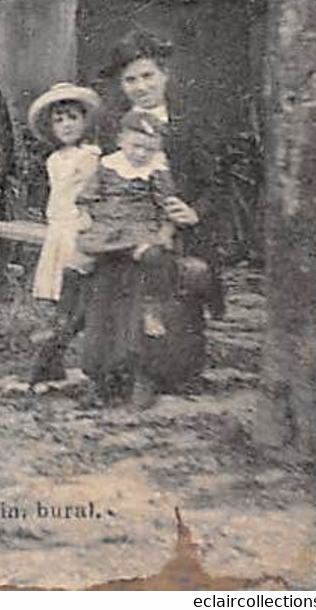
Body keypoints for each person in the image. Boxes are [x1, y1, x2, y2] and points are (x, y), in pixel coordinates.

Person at [100, 30, 223, 397]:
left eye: (148, 76)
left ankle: (183, 369)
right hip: (129, 232)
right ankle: (139, 372)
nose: (140, 87)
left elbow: (216, 184)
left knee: (185, 291)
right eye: (130, 80)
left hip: (182, 230)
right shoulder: (111, 129)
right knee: (134, 291)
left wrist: (193, 211)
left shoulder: (189, 126)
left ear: (165, 74)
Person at [77, 110, 184, 407]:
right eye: (135, 146)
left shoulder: (157, 172)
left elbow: (168, 210)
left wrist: (161, 236)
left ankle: (141, 376)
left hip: (141, 236)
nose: (140, 154)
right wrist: (88, 224)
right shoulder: (107, 167)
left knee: (138, 299)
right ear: (121, 140)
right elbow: (86, 201)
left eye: (148, 148)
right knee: (101, 303)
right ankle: (99, 377)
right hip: (107, 238)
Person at [25, 83, 104, 385]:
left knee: (80, 297)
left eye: (72, 117)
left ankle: (52, 353)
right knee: (64, 299)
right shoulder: (54, 160)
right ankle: (52, 355)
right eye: (59, 120)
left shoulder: (91, 156)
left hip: (80, 229)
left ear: (84, 121)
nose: (67, 125)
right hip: (59, 231)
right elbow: (56, 198)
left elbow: (93, 197)